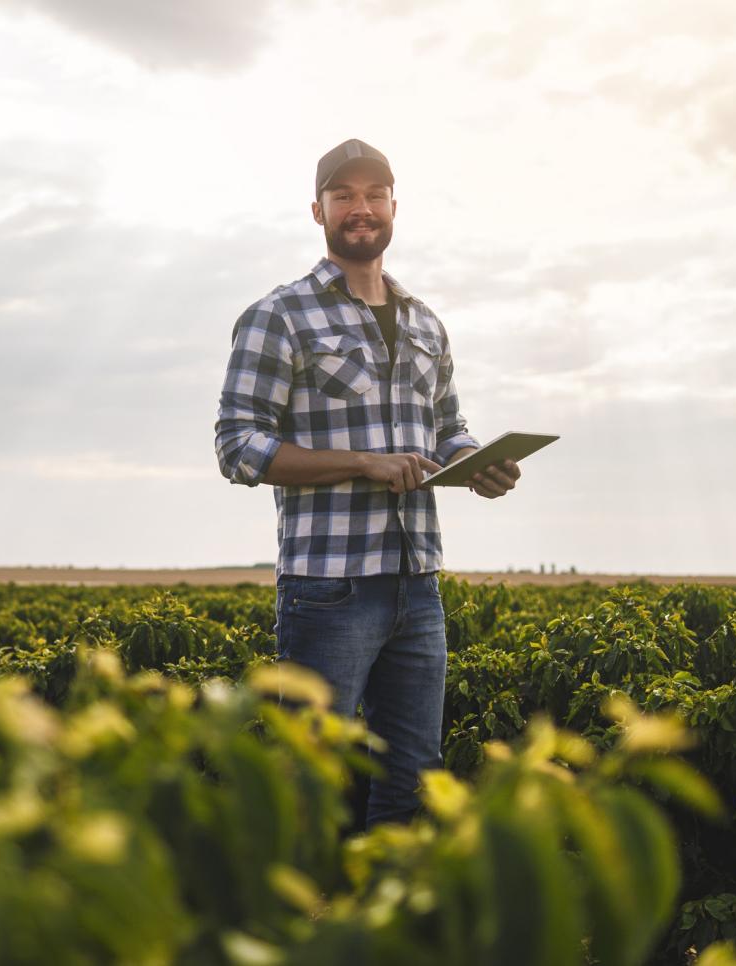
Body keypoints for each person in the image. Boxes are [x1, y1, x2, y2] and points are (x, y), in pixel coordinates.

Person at [213, 137, 521, 830]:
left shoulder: (423, 322)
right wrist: (362, 461)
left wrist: (478, 462)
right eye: (344, 195)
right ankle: (296, 928)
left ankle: (385, 930)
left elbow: (446, 426)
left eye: (374, 195)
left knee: (413, 781)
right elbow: (238, 447)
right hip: (330, 588)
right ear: (317, 210)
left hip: (418, 582)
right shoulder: (279, 316)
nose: (361, 209)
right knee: (310, 782)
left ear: (393, 207)